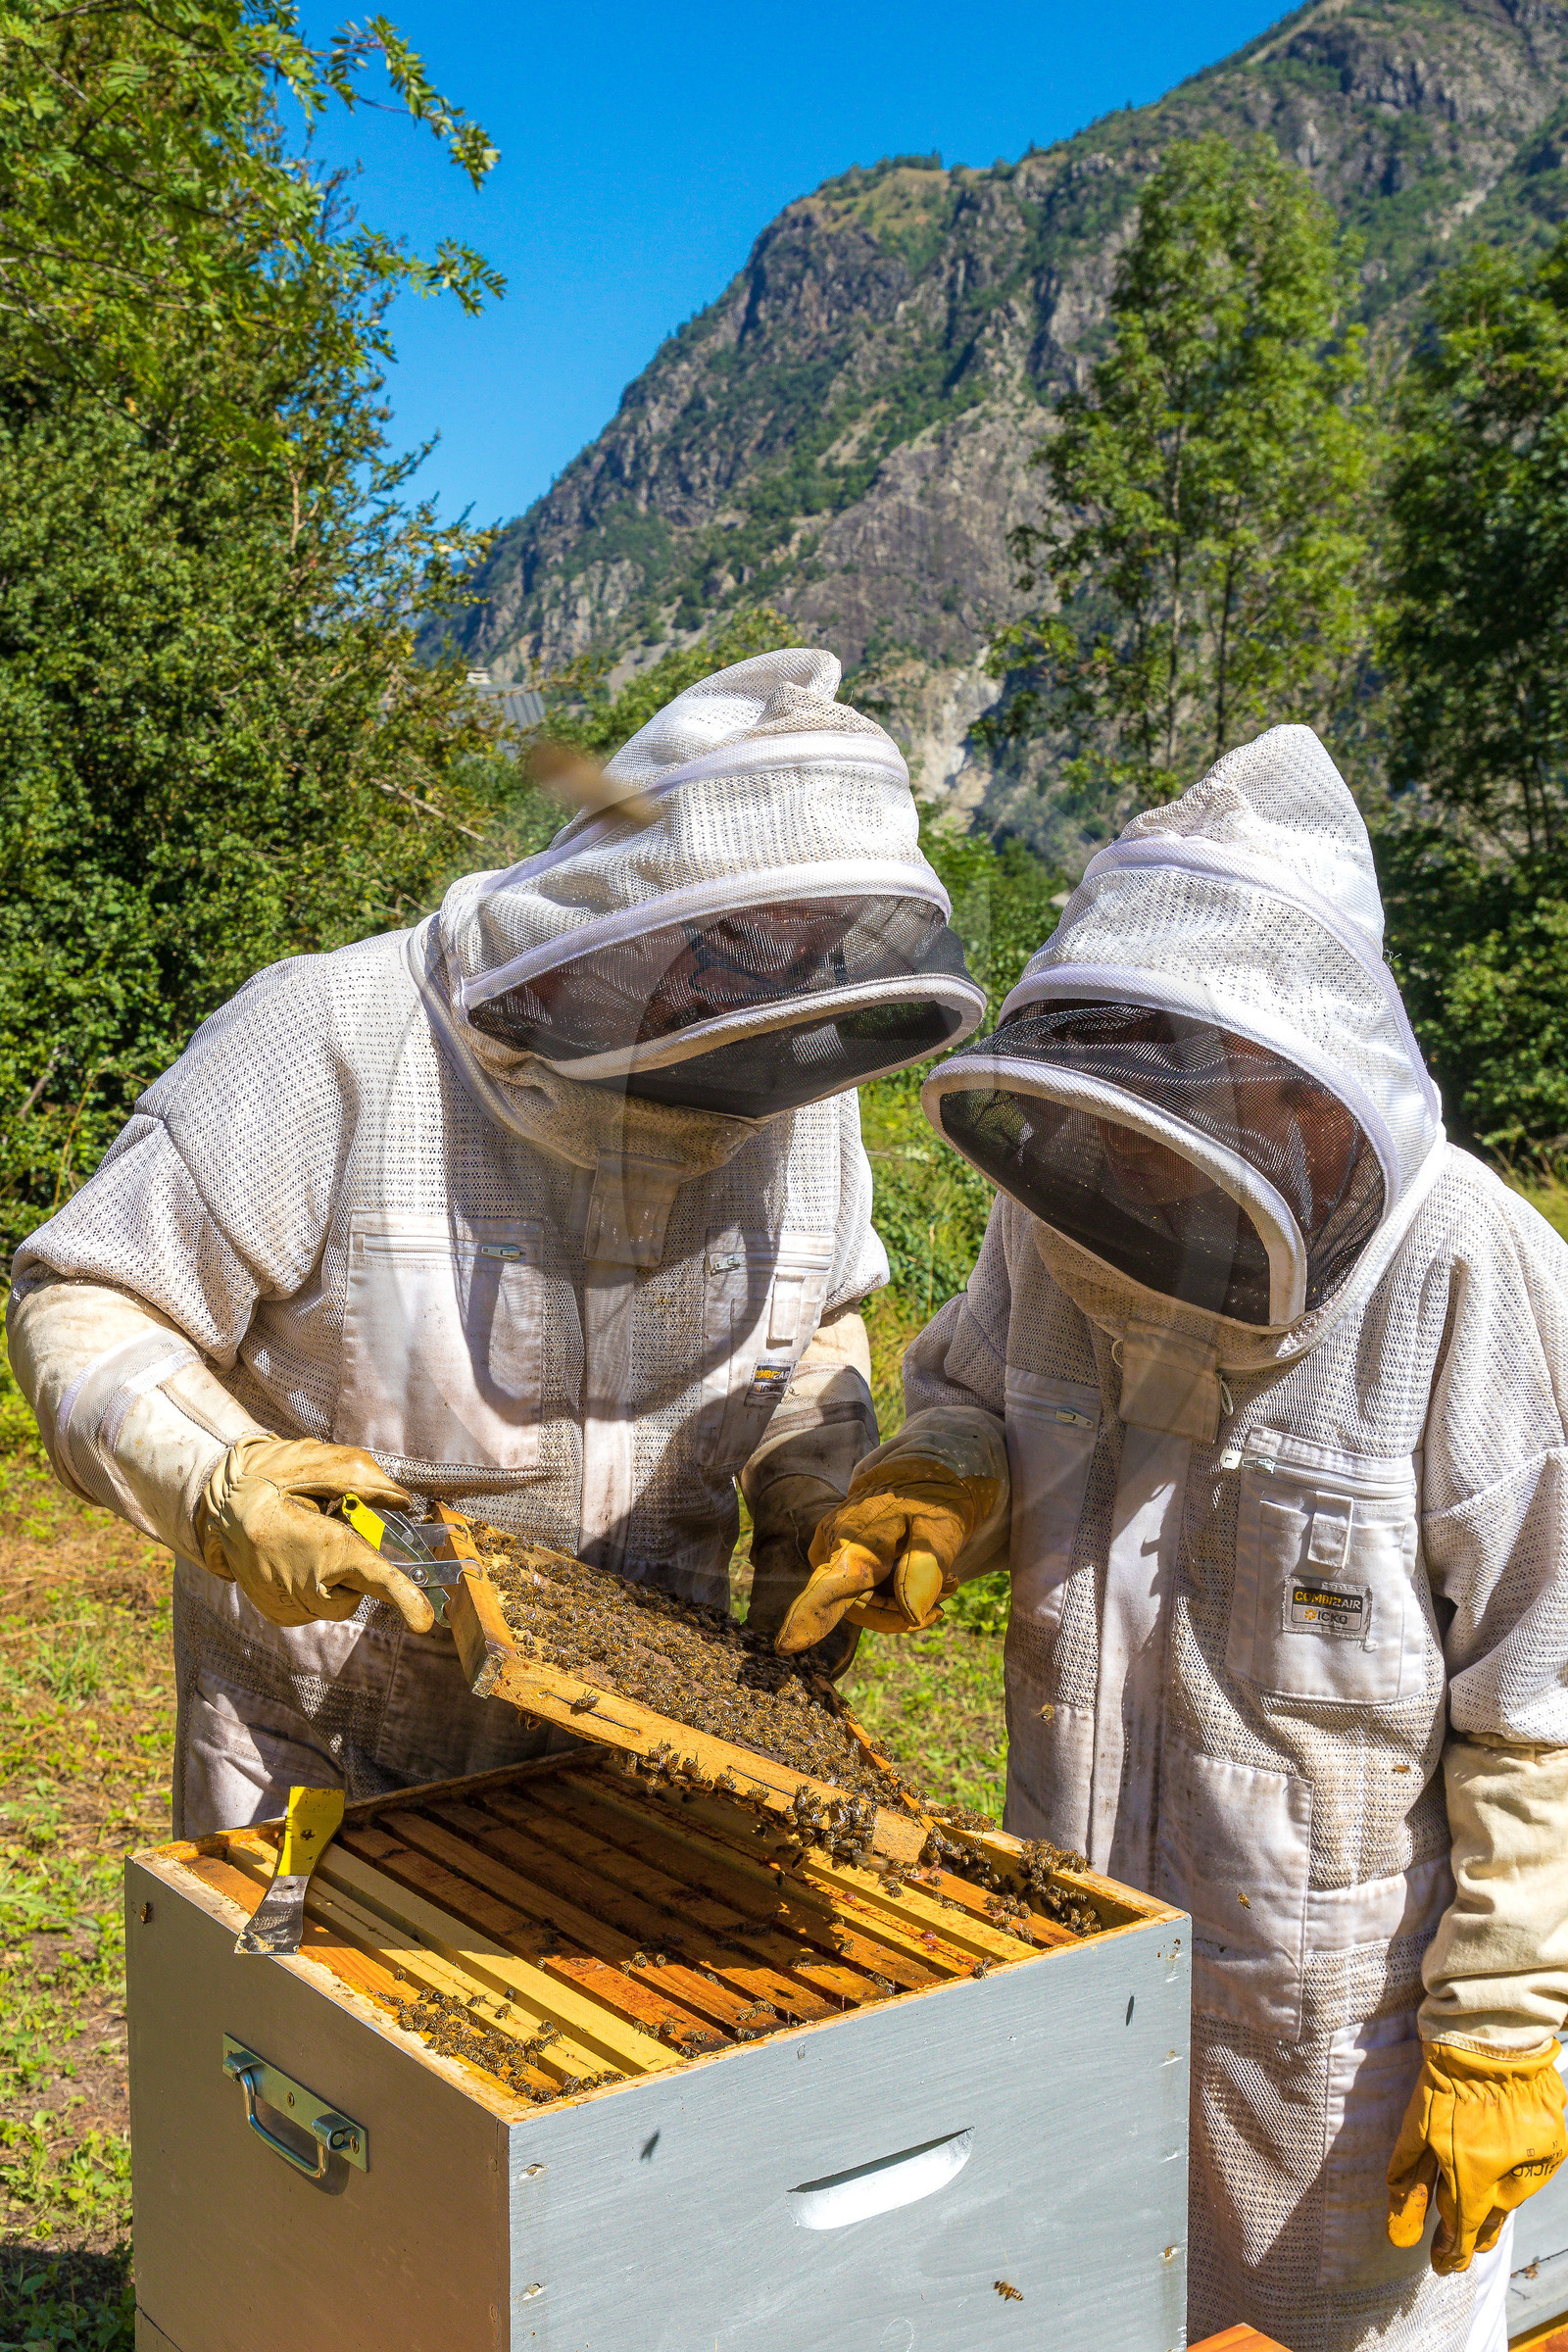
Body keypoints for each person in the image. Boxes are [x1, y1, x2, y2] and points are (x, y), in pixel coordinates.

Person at [775, 725, 1568, 2352]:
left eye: (1185, 1081)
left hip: (1338, 2045)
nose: (1136, 1142)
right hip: (1073, 1942)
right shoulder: (1059, 1202)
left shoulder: (1474, 1279)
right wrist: (942, 1479)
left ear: (1298, 1068)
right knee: (1070, 2306)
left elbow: (1544, 1699)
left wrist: (1500, 2030)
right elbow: (975, 1396)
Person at [6, 647, 985, 1835]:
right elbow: (88, 1299)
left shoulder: (798, 1090)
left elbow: (809, 1322)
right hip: (323, 1755)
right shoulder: (332, 1038)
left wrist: (812, 1492)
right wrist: (218, 1480)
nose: (757, 998)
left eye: (803, 957)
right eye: (732, 952)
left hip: (647, 1777)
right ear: (633, 905)